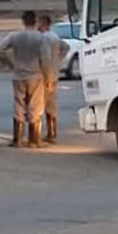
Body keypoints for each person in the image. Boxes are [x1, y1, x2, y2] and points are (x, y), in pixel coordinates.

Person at [0, 10, 49, 148]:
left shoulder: (15, 35)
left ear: (23, 21)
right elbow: (46, 58)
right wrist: (47, 75)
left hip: (19, 74)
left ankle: (18, 139)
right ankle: (33, 140)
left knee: (19, 105)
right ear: (35, 21)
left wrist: (9, 63)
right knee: (35, 106)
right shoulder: (40, 38)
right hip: (35, 75)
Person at [37, 14, 71, 144]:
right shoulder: (55, 36)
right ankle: (52, 133)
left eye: (39, 23)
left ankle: (43, 134)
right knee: (52, 105)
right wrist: (58, 60)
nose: (37, 26)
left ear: (43, 24)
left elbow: (45, 58)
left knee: (42, 105)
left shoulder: (44, 38)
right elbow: (66, 47)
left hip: (46, 76)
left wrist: (46, 75)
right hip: (54, 74)